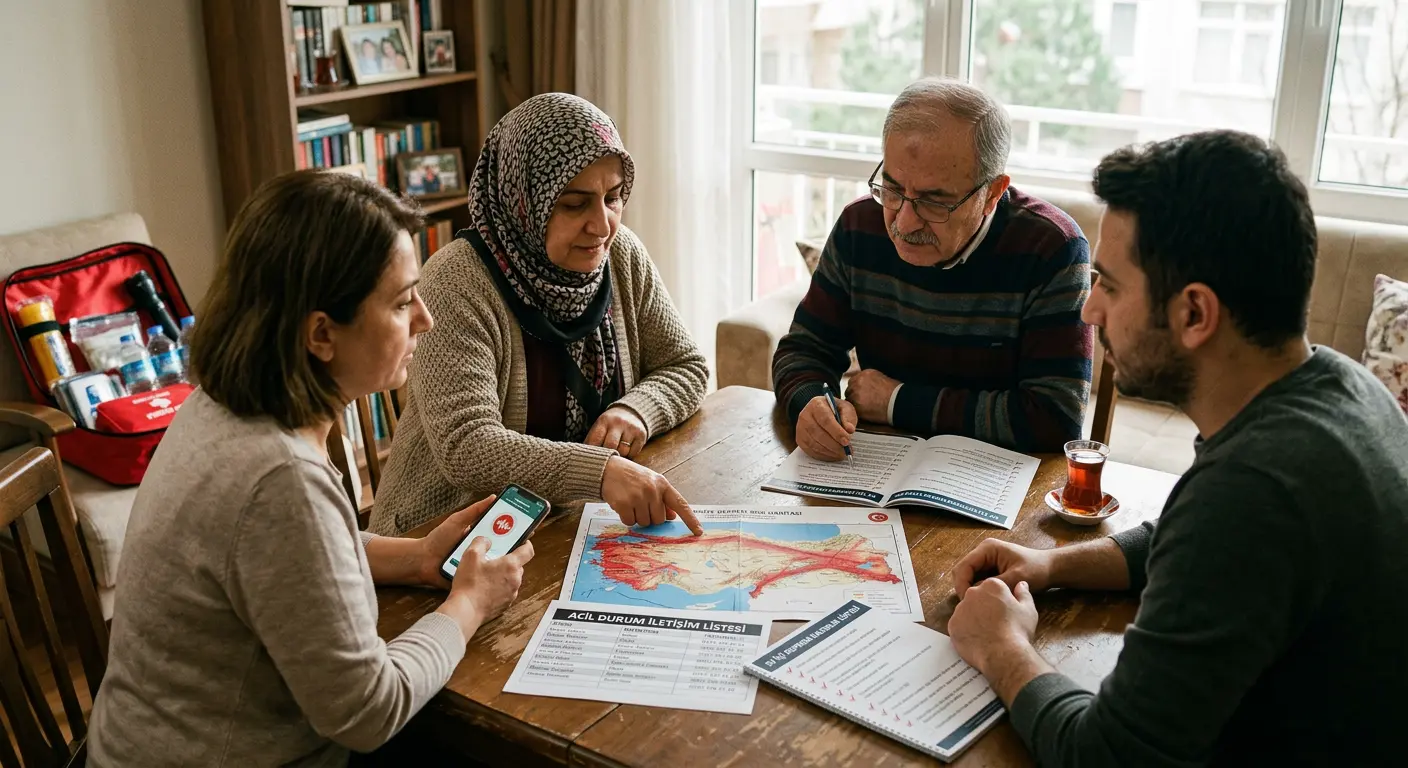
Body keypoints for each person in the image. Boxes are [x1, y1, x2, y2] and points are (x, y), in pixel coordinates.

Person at [947, 131, 1408, 766]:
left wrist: (1000, 646)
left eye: (1108, 284)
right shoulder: (1340, 385)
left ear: (1195, 313)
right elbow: (1188, 537)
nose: (1089, 310)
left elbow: (1107, 755)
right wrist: (1051, 566)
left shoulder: (1254, 490)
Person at [87, 171, 535, 766]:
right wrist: (470, 603)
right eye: (402, 301)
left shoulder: (221, 403)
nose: (425, 320)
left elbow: (285, 561)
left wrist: (419, 555)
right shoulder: (281, 478)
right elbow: (369, 711)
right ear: (321, 333)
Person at [369, 93, 708, 537]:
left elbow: (686, 366)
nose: (603, 226)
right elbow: (467, 445)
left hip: (564, 523)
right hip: (439, 538)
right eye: (574, 203)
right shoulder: (455, 283)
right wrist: (601, 472)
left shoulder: (621, 256)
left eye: (613, 197)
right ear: (523, 200)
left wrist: (636, 411)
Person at [773, 78, 1092, 458]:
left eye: (934, 202)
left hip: (995, 484)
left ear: (991, 193)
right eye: (892, 189)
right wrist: (812, 401)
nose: (904, 223)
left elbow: (1055, 417)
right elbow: (803, 350)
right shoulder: (860, 226)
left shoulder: (1052, 248)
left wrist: (897, 401)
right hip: (874, 468)